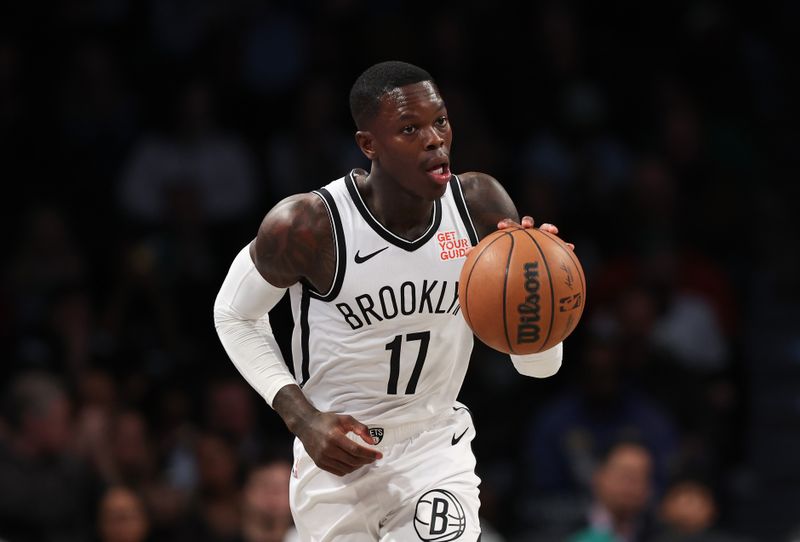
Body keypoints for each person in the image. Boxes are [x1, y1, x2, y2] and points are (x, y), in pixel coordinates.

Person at [213, 60, 570, 541]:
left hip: (434, 447)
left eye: (440, 121)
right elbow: (233, 314)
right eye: (410, 128)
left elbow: (538, 368)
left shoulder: (481, 207)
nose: (434, 139)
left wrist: (543, 296)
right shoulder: (308, 225)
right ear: (368, 145)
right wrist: (303, 419)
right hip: (337, 458)